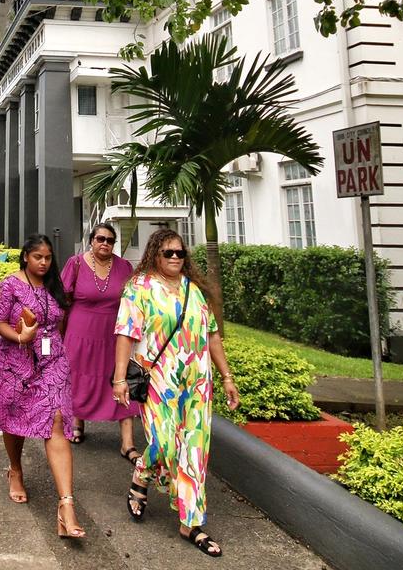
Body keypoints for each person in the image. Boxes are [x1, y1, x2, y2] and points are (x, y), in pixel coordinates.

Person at [111, 228, 240, 558]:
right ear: (155, 253)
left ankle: (191, 523)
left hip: (197, 383)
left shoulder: (194, 291)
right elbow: (126, 335)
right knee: (164, 443)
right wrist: (120, 378)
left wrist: (227, 377)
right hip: (159, 381)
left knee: (195, 450)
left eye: (179, 253)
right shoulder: (139, 289)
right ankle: (142, 473)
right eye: (167, 253)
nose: (174, 258)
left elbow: (212, 336)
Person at [0, 234, 84, 539]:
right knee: (14, 422)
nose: (43, 263)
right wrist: (20, 337)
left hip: (52, 360)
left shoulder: (54, 285)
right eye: (38, 257)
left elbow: (61, 320)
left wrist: (54, 345)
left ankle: (66, 505)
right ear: (25, 257)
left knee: (56, 421)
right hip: (15, 361)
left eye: (48, 258)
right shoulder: (10, 285)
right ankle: (15, 469)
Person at [60, 223, 139, 457]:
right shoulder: (75, 263)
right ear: (91, 240)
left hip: (113, 334)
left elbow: (135, 299)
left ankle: (128, 443)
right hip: (80, 332)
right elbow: (62, 299)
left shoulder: (124, 266)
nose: (105, 243)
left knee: (120, 378)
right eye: (100, 239)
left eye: (110, 240)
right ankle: (77, 423)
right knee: (78, 378)